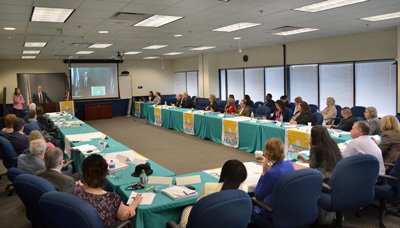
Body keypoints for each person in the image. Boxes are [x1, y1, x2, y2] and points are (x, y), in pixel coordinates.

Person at [73, 154, 142, 227]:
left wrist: (82, 186)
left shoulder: (76, 191)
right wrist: (136, 202)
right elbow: (126, 215)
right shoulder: (111, 198)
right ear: (105, 173)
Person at [179, 160, 248, 228]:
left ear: (223, 173)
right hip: (229, 223)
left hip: (203, 223)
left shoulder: (208, 187)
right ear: (243, 177)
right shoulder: (244, 191)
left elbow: (197, 209)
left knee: (188, 208)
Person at [253, 138, 295, 222]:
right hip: (287, 208)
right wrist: (268, 162)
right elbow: (278, 165)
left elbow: (257, 195)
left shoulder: (270, 173)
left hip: (271, 211)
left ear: (267, 153)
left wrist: (264, 172)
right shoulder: (290, 164)